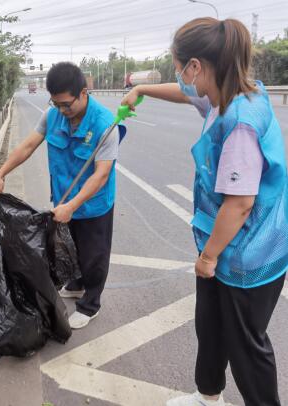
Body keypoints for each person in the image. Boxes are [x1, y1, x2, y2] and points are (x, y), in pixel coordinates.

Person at [122, 18, 288, 406]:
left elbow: (240, 203)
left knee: (246, 349)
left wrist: (209, 256)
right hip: (226, 243)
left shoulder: (240, 121)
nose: (179, 77)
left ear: (196, 67)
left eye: (179, 68)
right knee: (210, 326)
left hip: (248, 252)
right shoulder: (221, 96)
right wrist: (141, 88)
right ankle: (207, 397)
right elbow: (184, 94)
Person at [0, 62, 126, 329]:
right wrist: (2, 171)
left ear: (83, 93)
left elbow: (101, 175)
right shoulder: (52, 115)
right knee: (70, 246)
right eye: (56, 104)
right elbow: (28, 145)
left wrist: (73, 206)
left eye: (66, 104)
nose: (62, 110)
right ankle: (76, 284)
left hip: (93, 204)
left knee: (94, 254)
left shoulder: (105, 125)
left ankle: (91, 304)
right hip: (63, 199)